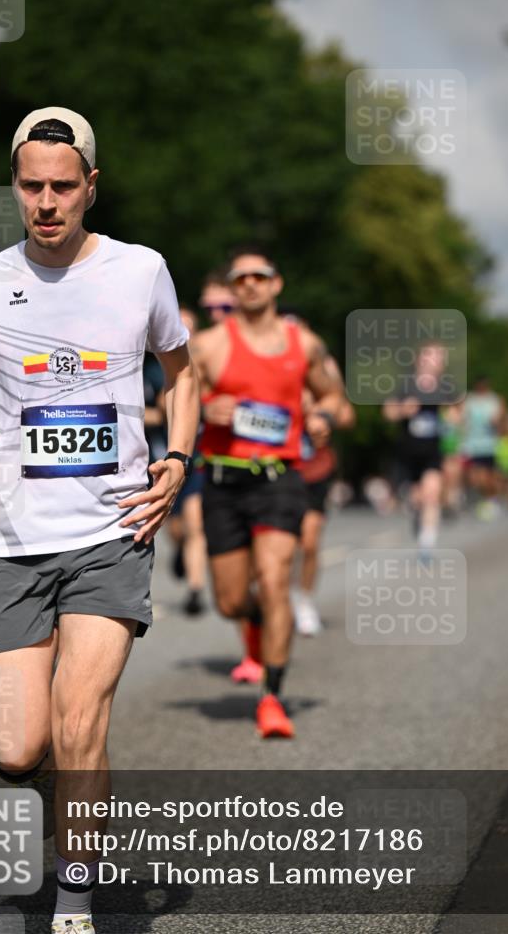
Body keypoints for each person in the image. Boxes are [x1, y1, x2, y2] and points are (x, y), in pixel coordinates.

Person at [0, 107, 200, 934]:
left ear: (91, 186)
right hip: (12, 539)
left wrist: (178, 459)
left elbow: (182, 374)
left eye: (62, 186)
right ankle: (67, 800)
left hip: (109, 533)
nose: (46, 202)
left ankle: (74, 902)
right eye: (30, 187)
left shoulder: (140, 271)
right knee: (19, 750)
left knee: (81, 719)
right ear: (15, 189)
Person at [192, 245, 344, 739]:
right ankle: (258, 624)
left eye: (260, 276)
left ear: (276, 284)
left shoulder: (304, 344)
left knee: (275, 581)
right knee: (233, 600)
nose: (251, 284)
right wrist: (202, 410)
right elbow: (173, 399)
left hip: (279, 478)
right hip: (222, 480)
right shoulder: (210, 345)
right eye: (241, 278)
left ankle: (273, 697)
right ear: (232, 290)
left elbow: (335, 398)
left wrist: (321, 418)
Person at [292, 377, 355, 636]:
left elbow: (348, 417)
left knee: (308, 541)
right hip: (278, 470)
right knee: (281, 547)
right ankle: (281, 597)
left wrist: (321, 414)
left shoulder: (318, 367)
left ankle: (304, 601)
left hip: (315, 473)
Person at [383, 341, 452, 556]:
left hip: (432, 452)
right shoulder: (407, 385)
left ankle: (426, 543)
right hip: (408, 453)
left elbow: (458, 414)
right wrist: (403, 410)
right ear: (419, 359)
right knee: (417, 498)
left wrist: (453, 418)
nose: (434, 362)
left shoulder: (446, 388)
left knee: (432, 494)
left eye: (439, 357)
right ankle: (417, 514)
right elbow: (388, 413)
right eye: (430, 356)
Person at [166, 306, 208, 615]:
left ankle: (195, 589)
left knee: (196, 525)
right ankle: (179, 549)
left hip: (199, 456)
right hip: (161, 454)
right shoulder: (152, 365)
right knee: (177, 527)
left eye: (190, 327)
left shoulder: (209, 364)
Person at [459, 377, 505, 519]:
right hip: (472, 445)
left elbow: (502, 421)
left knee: (489, 478)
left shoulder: (495, 400)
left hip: (489, 445)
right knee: (476, 477)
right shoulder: (469, 401)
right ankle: (484, 498)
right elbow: (461, 419)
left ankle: (492, 498)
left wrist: (497, 422)